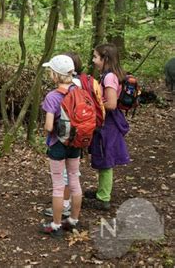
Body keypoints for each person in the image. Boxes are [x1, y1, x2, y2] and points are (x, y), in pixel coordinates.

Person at [40, 55, 83, 238]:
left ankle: (56, 225)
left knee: (58, 186)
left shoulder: (52, 96)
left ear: (55, 75)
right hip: (76, 143)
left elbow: (49, 127)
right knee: (74, 180)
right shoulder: (80, 91)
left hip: (58, 145)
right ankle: (73, 220)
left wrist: (45, 130)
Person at [85, 43, 130, 210]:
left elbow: (111, 104)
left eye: (96, 57)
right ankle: (101, 190)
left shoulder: (109, 77)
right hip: (106, 121)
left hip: (108, 123)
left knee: (106, 158)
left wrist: (93, 104)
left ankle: (103, 198)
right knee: (104, 156)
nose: (93, 60)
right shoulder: (107, 75)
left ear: (105, 59)